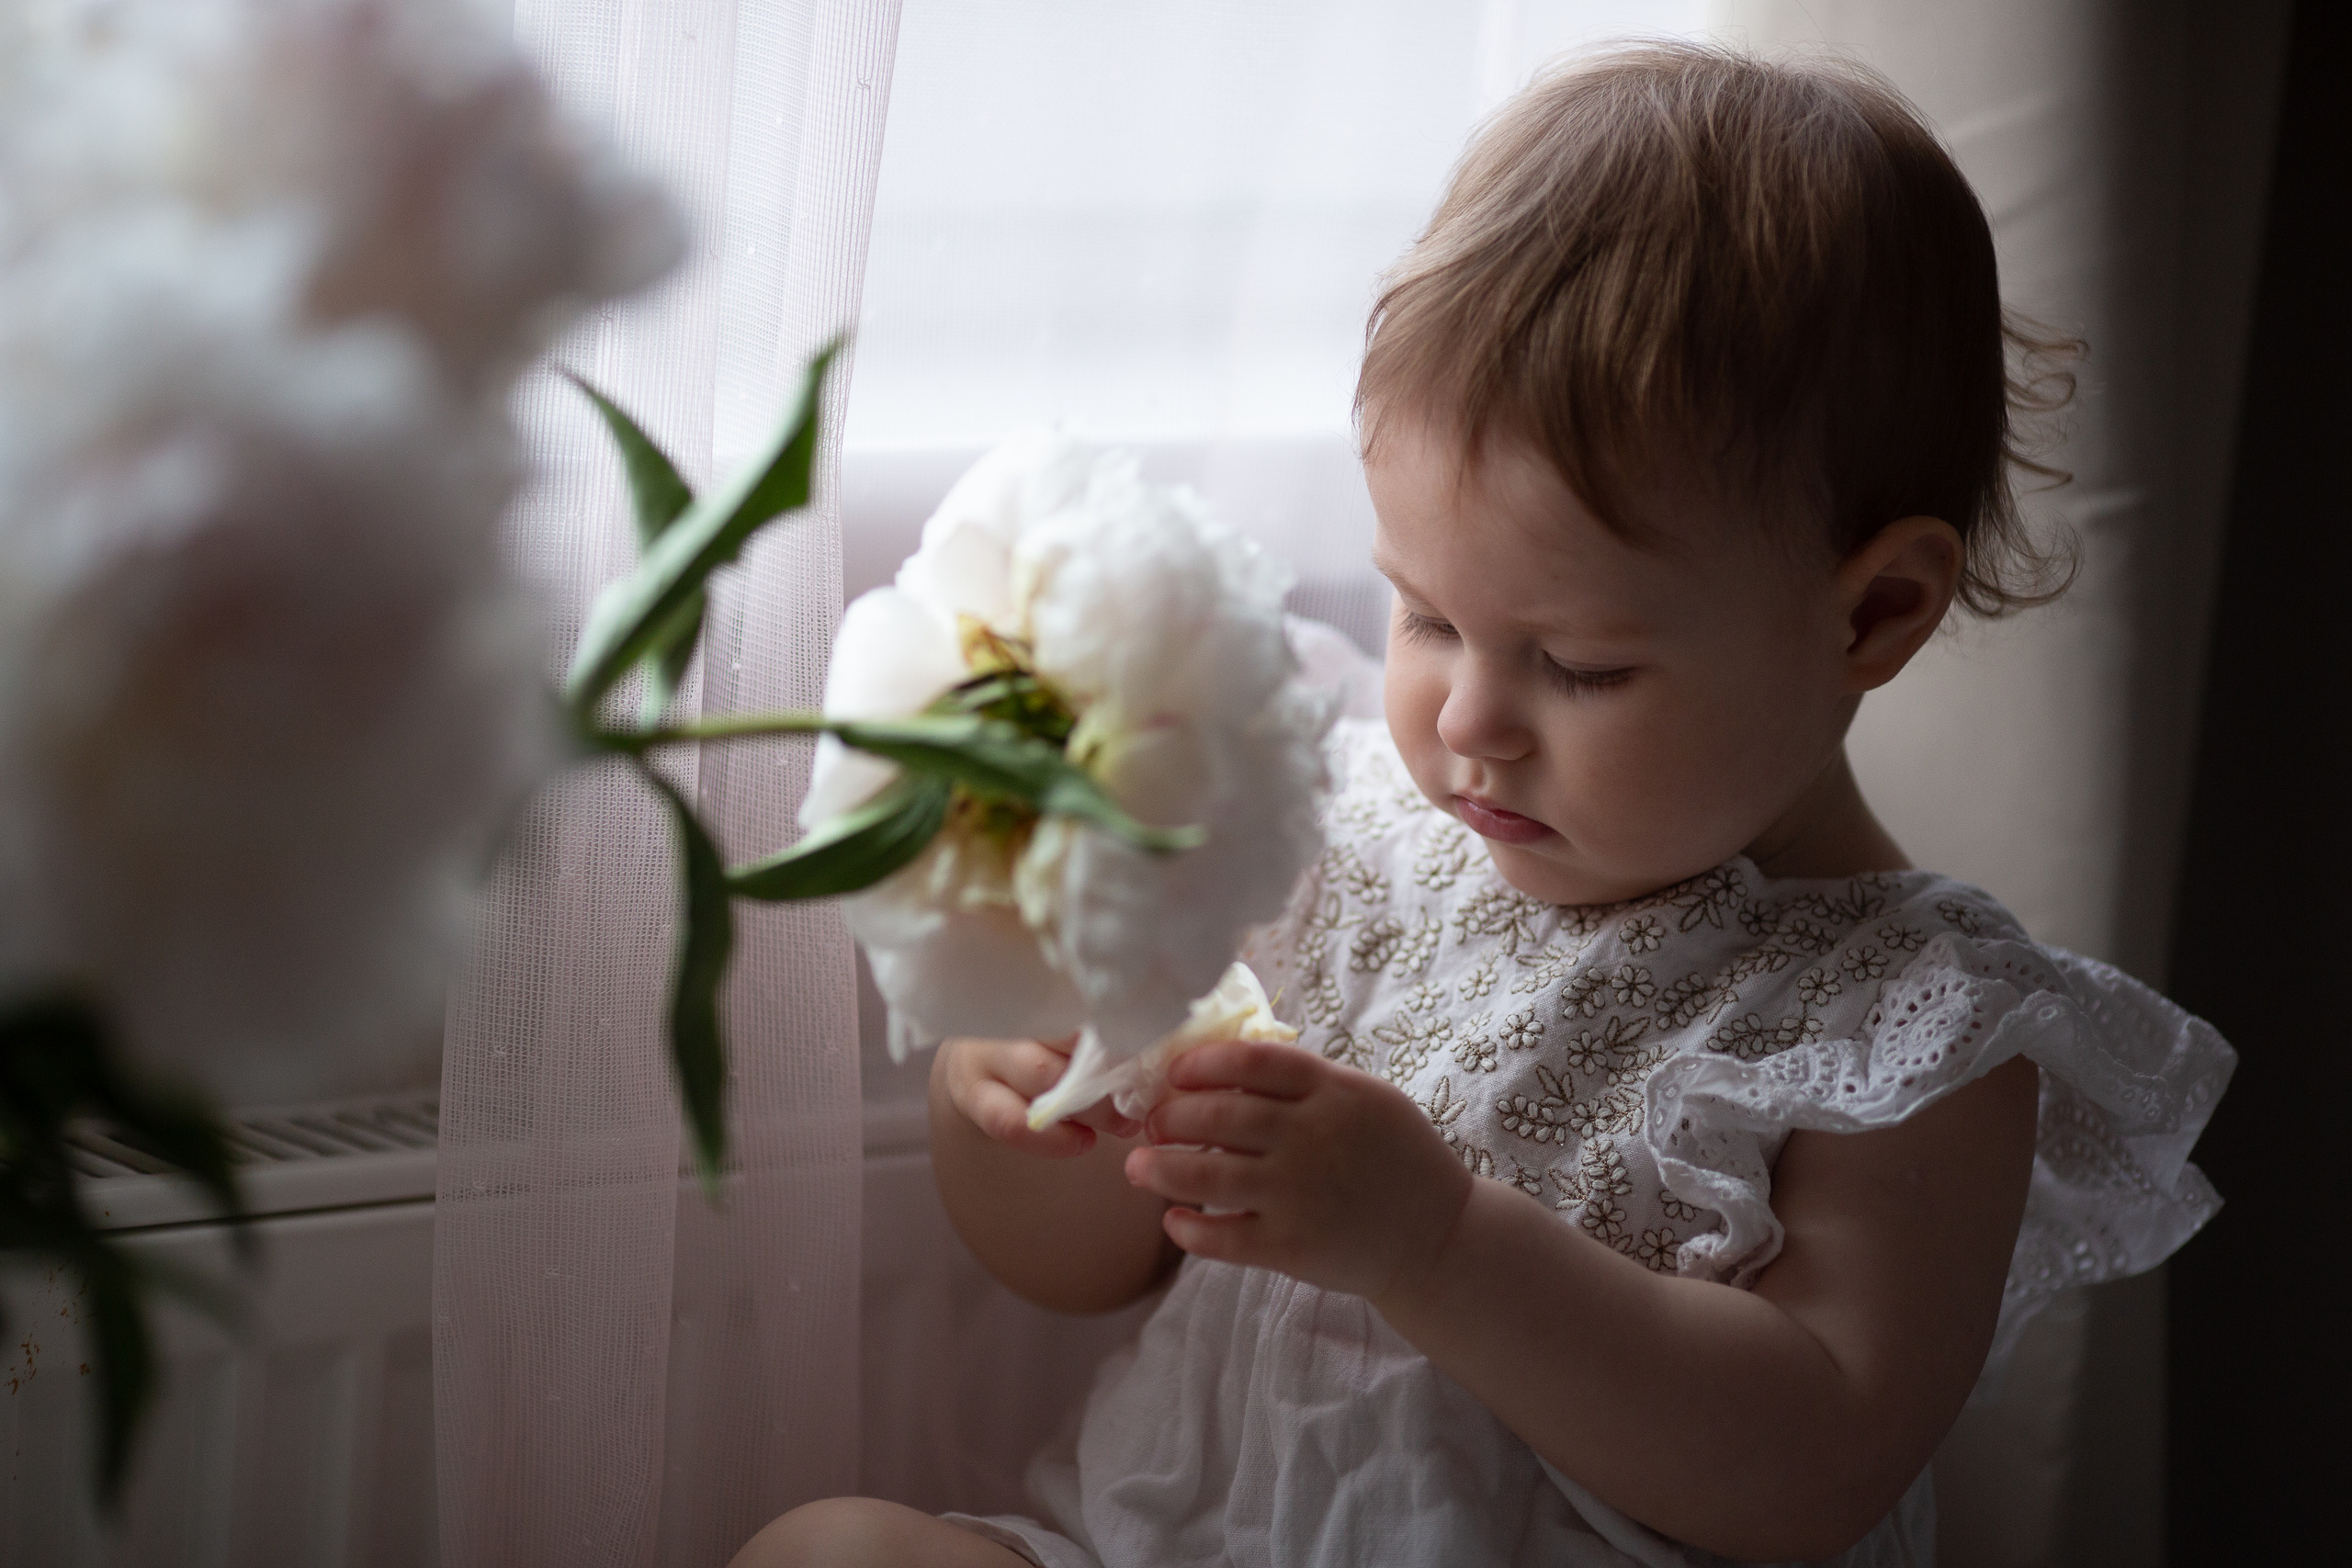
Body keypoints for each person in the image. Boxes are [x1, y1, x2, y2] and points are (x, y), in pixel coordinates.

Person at [734, 42, 2233, 1567]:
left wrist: (1435, 1242)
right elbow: (1088, 1268)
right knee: (830, 1553)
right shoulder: (1339, 830)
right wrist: (1020, 1105)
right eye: (1427, 619)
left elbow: (1811, 1468)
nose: (1463, 721)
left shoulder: (1906, 1024)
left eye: (1577, 665)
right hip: (1150, 1542)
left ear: (1873, 615)